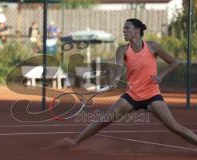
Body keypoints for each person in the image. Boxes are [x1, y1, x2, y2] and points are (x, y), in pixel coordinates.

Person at [63, 18, 197, 147]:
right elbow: (119, 67)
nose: (124, 31)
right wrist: (115, 79)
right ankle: (75, 141)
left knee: (174, 126)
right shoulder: (122, 50)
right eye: (123, 28)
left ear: (136, 30)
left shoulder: (152, 46)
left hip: (152, 95)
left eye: (127, 28)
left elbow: (174, 62)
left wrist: (161, 76)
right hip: (132, 96)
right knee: (104, 120)